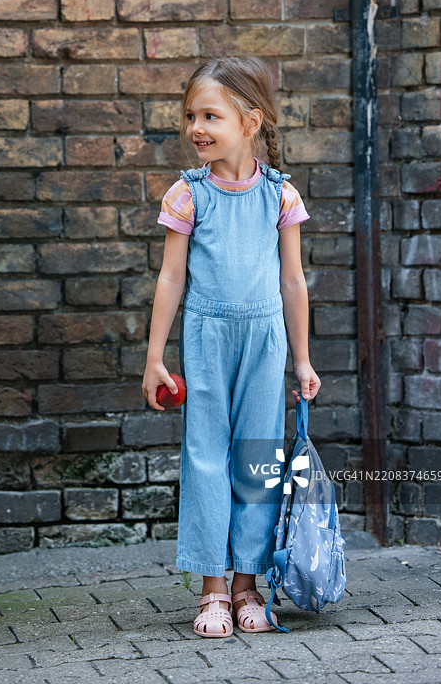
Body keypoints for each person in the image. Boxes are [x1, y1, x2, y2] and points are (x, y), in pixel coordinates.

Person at [142, 56, 321, 638]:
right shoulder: (188, 195)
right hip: (207, 336)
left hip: (267, 341)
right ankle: (212, 587)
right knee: (205, 457)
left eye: (209, 115)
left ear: (251, 121)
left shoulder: (281, 196)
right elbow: (170, 279)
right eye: (190, 115)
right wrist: (155, 356)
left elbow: (292, 282)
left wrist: (302, 359)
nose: (195, 126)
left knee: (257, 461)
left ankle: (249, 583)